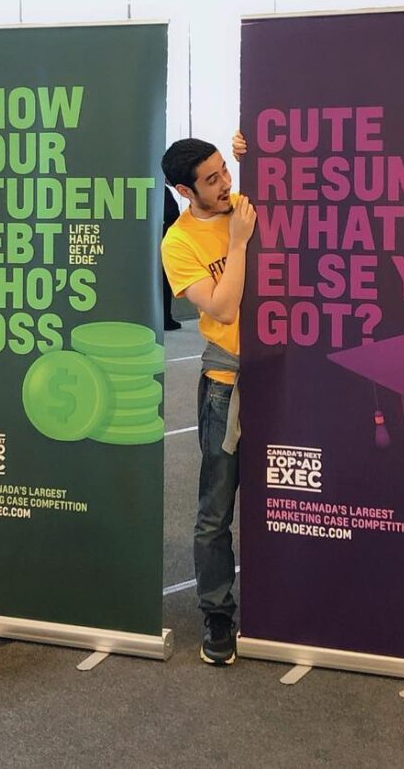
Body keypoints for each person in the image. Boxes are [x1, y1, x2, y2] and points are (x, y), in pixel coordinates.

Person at [160, 135, 255, 665]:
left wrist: (252, 150)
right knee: (215, 508)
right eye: (212, 179)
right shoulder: (178, 243)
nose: (225, 185)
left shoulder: (244, 200)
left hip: (287, 375)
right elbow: (220, 308)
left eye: (226, 171)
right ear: (183, 190)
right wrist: (237, 243)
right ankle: (217, 613)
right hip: (226, 379)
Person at [162, 186, 182, 331]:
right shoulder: (163, 192)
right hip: (165, 239)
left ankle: (165, 318)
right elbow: (173, 215)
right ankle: (165, 318)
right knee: (163, 281)